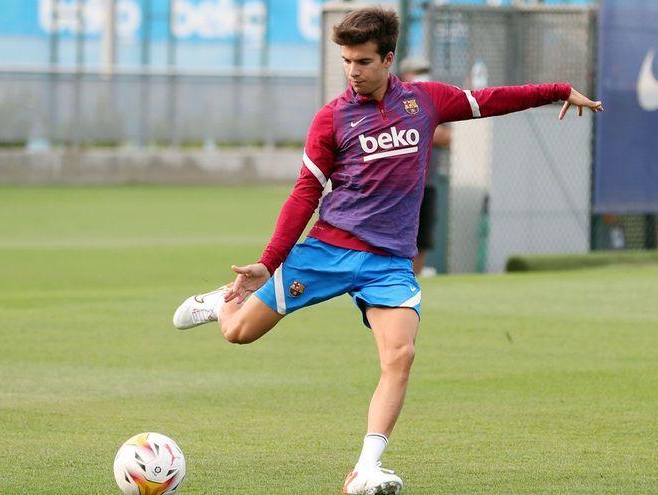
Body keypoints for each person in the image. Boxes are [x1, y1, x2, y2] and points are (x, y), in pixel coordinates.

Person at [172, 7, 602, 494]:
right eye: (346, 61)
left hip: (389, 264)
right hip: (328, 250)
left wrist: (558, 90)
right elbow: (304, 193)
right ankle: (220, 302)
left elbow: (492, 99)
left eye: (362, 61)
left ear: (388, 59)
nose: (352, 71)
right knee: (237, 333)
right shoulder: (331, 117)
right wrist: (267, 263)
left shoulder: (426, 101)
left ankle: (366, 469)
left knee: (400, 355)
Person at [399, 57, 450, 276]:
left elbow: (446, 137)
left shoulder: (433, 101)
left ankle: (414, 279)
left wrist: (423, 129)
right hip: (401, 186)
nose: (422, 75)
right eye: (417, 71)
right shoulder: (397, 99)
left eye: (425, 71)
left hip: (427, 183)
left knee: (423, 238)